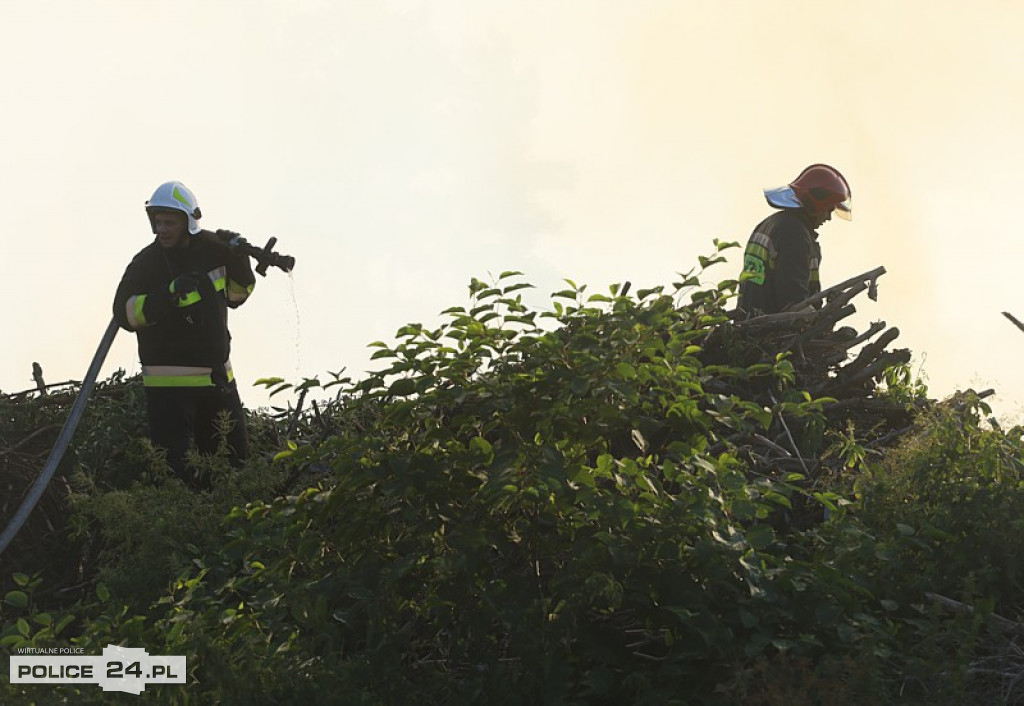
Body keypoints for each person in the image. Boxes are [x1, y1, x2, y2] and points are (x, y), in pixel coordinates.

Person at [113, 181, 256, 488]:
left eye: (169, 223)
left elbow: (237, 294)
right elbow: (124, 314)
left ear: (188, 222)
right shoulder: (147, 264)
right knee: (175, 475)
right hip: (170, 394)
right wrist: (167, 296)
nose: (161, 230)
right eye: (158, 222)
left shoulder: (214, 250)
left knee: (233, 466)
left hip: (218, 384)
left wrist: (238, 258)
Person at [736, 164, 852, 317]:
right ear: (816, 203)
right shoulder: (794, 234)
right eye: (829, 209)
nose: (829, 218)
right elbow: (794, 305)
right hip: (773, 328)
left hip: (747, 323)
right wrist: (825, 317)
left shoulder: (769, 224)